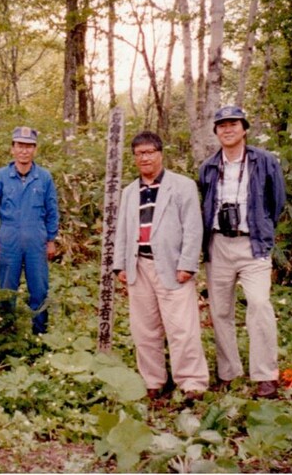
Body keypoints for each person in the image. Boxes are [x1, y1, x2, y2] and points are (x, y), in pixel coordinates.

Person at [113, 131, 209, 401]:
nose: (144, 158)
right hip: (139, 266)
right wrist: (120, 265)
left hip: (172, 266)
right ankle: (152, 381)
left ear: (160, 154)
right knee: (144, 329)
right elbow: (122, 230)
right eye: (139, 154)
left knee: (182, 327)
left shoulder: (182, 186)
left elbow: (193, 227)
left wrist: (188, 264)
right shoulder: (130, 192)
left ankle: (192, 383)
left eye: (149, 152)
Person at [199, 105, 286, 399]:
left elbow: (277, 202)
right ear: (216, 131)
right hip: (219, 244)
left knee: (259, 304)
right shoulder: (208, 166)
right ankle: (228, 372)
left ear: (244, 128)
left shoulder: (265, 162)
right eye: (221, 125)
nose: (227, 129)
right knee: (220, 310)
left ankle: (265, 375)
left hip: (253, 244)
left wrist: (261, 228)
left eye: (233, 123)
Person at [0, 126, 60, 335]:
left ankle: (39, 335)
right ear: (12, 149)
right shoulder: (0, 177)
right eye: (20, 146)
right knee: (7, 289)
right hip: (9, 239)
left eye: (29, 146)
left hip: (37, 239)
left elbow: (52, 211)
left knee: (39, 289)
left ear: (35, 149)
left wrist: (51, 239)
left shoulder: (44, 178)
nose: (24, 151)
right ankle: (7, 334)